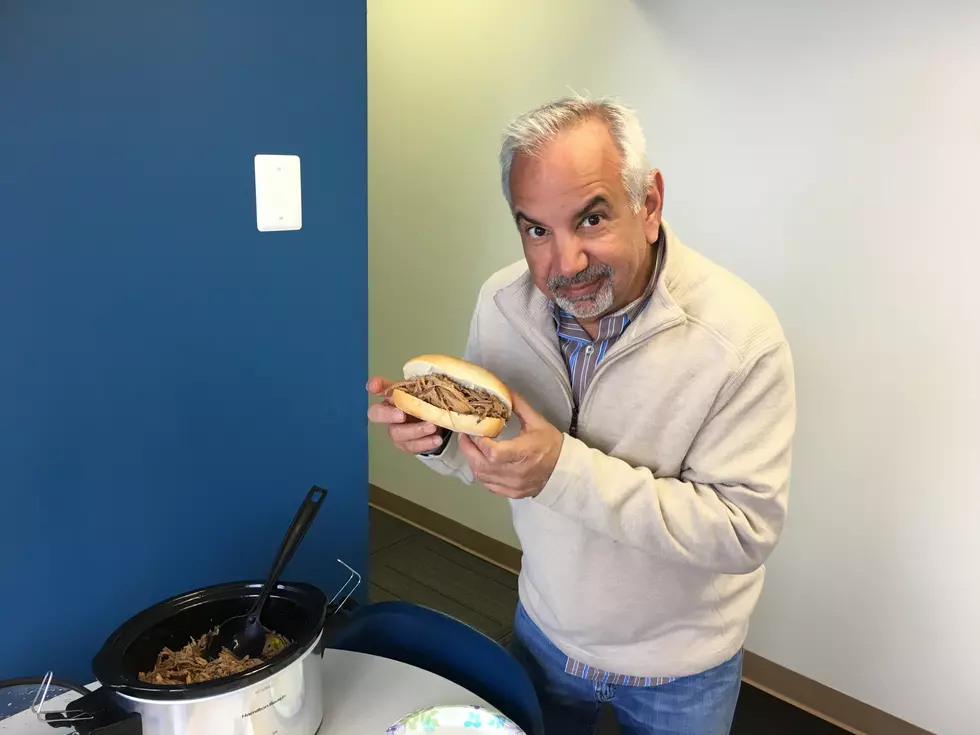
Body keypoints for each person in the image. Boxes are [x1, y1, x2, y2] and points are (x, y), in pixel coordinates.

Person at [367, 95, 796, 735]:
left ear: (648, 205)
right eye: (536, 229)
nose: (563, 264)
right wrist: (437, 443)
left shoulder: (741, 339)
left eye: (591, 219)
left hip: (680, 668)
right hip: (543, 629)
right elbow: (497, 453)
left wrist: (561, 470)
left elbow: (742, 531)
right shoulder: (503, 303)